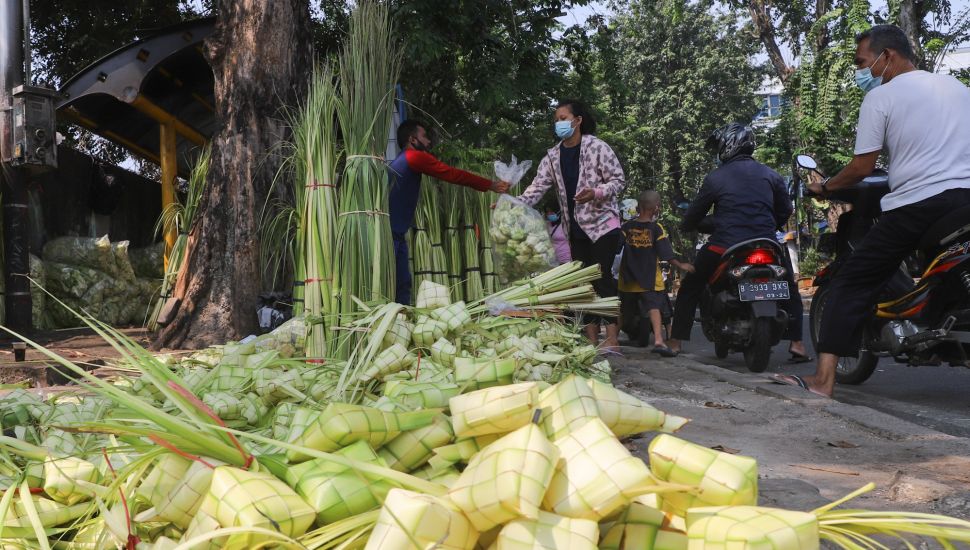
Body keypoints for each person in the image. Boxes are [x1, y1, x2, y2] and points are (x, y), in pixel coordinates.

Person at [774, 24, 970, 397]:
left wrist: (825, 185)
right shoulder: (958, 88)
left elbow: (862, 167)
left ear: (888, 56)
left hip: (919, 205)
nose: (863, 72)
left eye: (864, 62)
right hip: (965, 201)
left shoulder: (881, 98)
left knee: (851, 280)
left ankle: (822, 381)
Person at [667, 122, 808, 360]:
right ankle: (797, 344)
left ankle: (675, 341)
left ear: (727, 145)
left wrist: (687, 225)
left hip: (725, 244)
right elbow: (785, 211)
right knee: (791, 288)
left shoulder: (715, 178)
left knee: (691, 285)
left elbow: (694, 214)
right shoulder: (771, 174)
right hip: (768, 243)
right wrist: (768, 225)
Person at [519, 99, 626, 353]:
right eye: (556, 119)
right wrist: (513, 203)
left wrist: (596, 192)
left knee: (601, 278)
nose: (559, 123)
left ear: (577, 121)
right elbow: (537, 187)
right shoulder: (552, 155)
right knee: (583, 282)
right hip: (574, 228)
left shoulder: (597, 147)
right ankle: (590, 339)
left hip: (602, 226)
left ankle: (611, 339)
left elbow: (618, 180)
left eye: (564, 118)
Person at [389, 119, 509, 305]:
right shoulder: (413, 157)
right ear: (412, 140)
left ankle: (400, 318)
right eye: (424, 137)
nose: (428, 142)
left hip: (394, 229)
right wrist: (490, 185)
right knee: (400, 282)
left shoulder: (399, 161)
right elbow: (452, 174)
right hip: (393, 231)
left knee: (401, 281)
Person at [618, 190, 694, 356]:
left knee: (622, 310)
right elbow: (666, 252)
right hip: (649, 278)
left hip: (628, 278)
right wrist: (680, 265)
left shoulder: (626, 227)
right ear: (657, 208)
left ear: (638, 207)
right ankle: (659, 341)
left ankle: (612, 339)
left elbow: (616, 247)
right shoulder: (656, 228)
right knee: (654, 308)